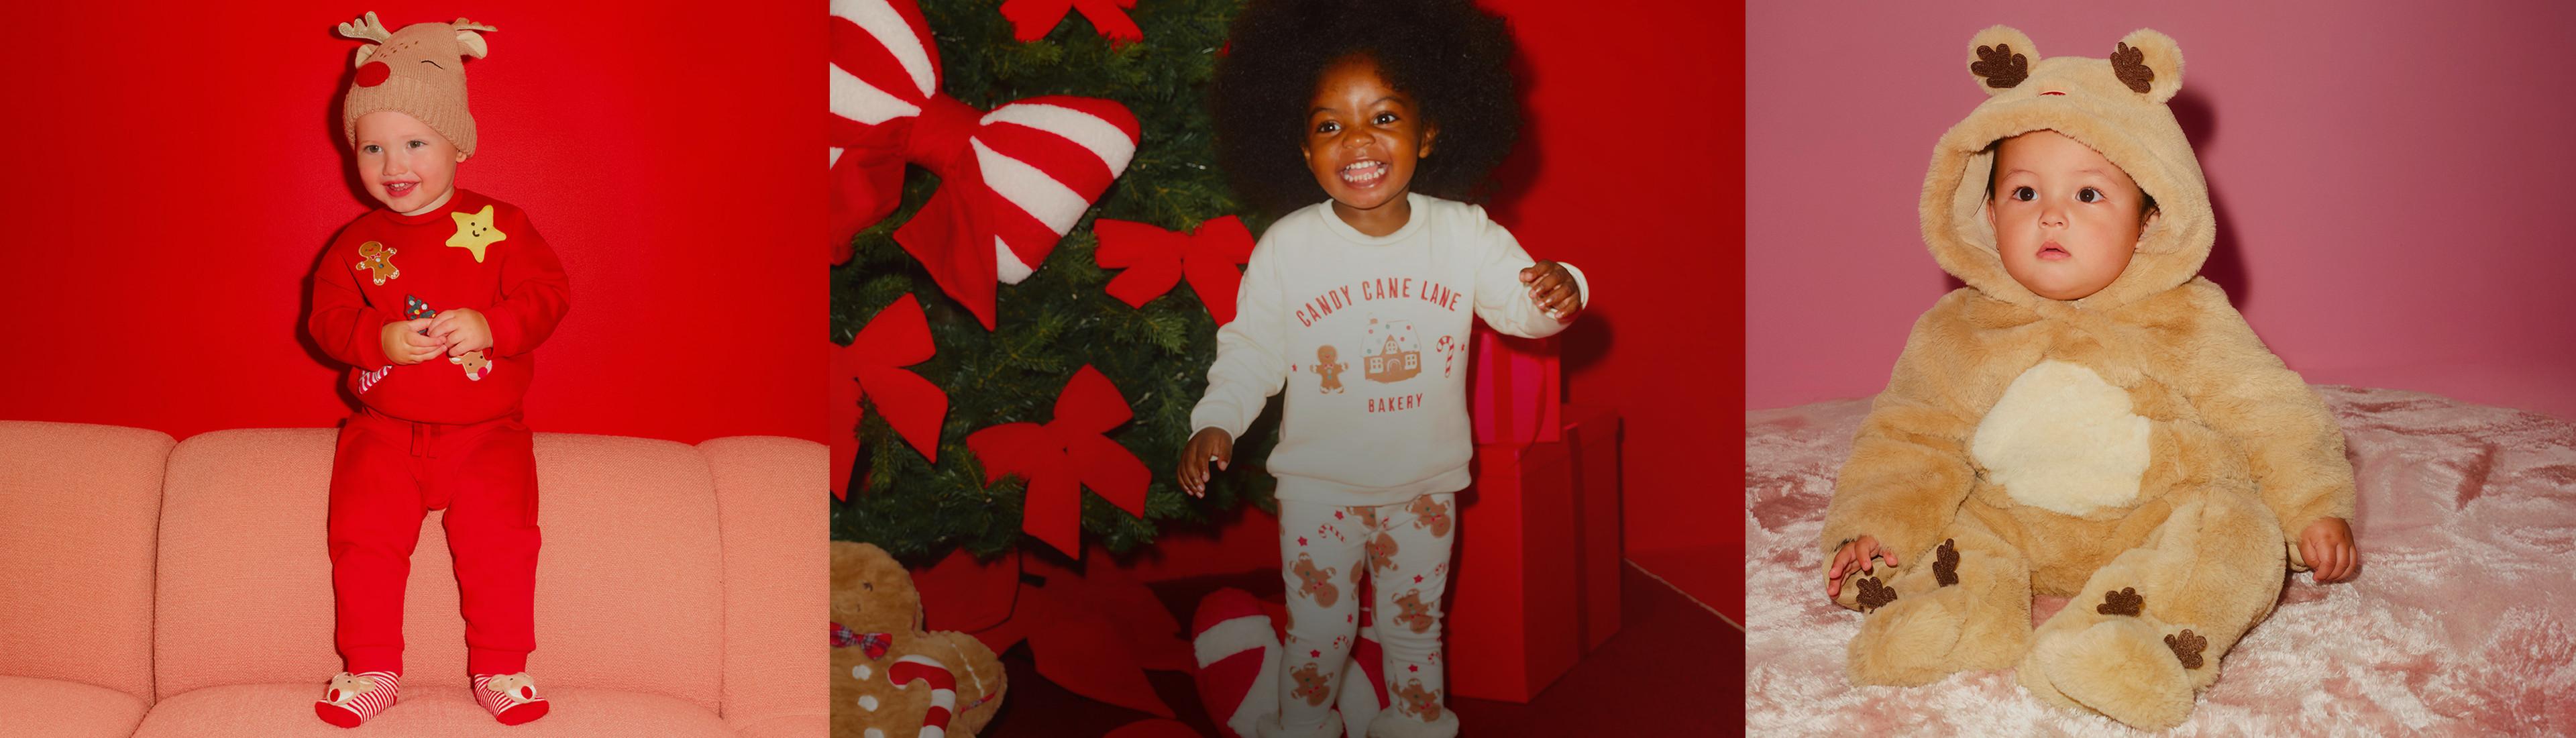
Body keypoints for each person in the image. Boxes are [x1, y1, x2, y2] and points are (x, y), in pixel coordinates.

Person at [1816, 28, 2356, 730]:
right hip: (2013, 522)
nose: (2052, 213)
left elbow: (2270, 410)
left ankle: (2140, 637)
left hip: (2155, 521)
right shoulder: (1959, 330)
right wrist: (1871, 525)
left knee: (2239, 529)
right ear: (1987, 211)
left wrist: (2314, 506)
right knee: (1953, 525)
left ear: (2148, 217)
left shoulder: (2189, 318)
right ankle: (1961, 613)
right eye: (2025, 190)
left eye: (2091, 193)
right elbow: (1909, 433)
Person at [1179, 1, 1587, 736]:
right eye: (1330, 124)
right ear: (1302, 150)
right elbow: (1252, 350)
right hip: (1318, 491)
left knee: (1415, 629)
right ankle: (1300, 727)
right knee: (1318, 635)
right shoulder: (1288, 247)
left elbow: (1525, 310)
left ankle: (1415, 724)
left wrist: (1564, 290)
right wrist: (1216, 419)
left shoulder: (1464, 232)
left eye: (1385, 117)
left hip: (1425, 485)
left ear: (1429, 132)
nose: (1357, 141)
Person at [305, 12, 569, 727]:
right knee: (362, 542)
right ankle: (371, 669)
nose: (394, 166)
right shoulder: (355, 242)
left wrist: (494, 324)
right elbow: (324, 319)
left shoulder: (504, 224)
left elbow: (551, 295)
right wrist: (376, 337)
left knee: (502, 546)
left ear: (458, 143)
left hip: (488, 433)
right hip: (382, 431)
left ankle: (501, 667)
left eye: (415, 143)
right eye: (372, 148)